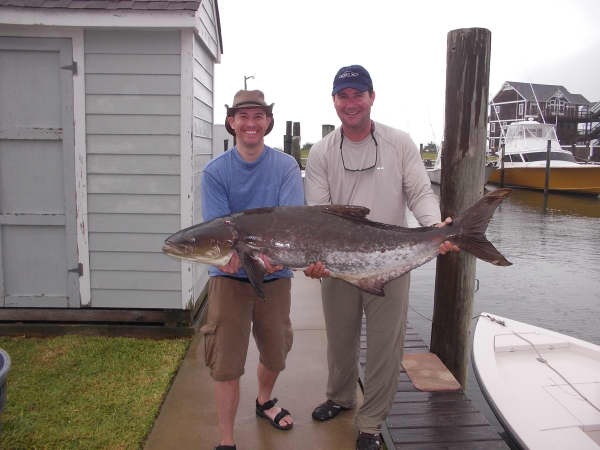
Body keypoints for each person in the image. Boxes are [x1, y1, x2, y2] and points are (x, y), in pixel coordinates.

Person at [303, 65, 457, 450]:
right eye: (343, 96)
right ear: (334, 101)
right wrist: (314, 258)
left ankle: (371, 422)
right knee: (340, 340)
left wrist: (435, 226)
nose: (351, 103)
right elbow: (319, 213)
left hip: (391, 262)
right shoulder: (321, 152)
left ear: (372, 97)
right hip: (337, 265)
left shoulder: (400, 143)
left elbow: (420, 192)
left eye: (358, 94)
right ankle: (340, 397)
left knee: (386, 345)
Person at [200, 90, 304, 450]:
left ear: (268, 122)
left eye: (258, 116)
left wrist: (274, 258)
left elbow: (292, 221)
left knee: (276, 352)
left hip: (275, 276)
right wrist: (233, 259)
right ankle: (227, 439)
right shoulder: (215, 172)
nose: (250, 123)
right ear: (231, 122)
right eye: (243, 116)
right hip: (228, 278)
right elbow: (217, 232)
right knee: (226, 361)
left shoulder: (287, 166)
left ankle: (264, 400)